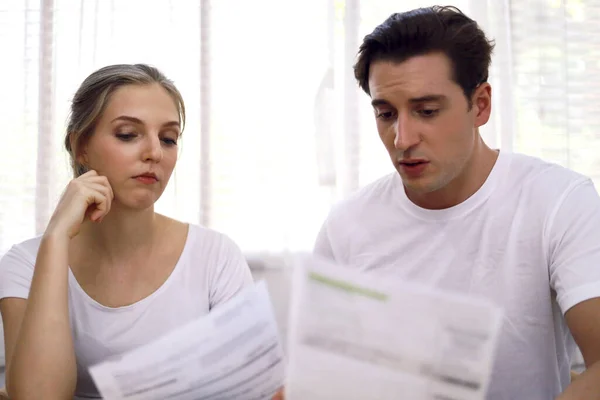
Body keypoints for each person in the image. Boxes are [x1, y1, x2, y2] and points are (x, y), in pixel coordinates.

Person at [313, 6, 600, 400]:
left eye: (426, 111)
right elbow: (322, 377)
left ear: (480, 105)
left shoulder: (558, 201)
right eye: (386, 114)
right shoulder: (346, 226)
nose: (402, 138)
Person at [0, 64, 265, 399]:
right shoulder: (24, 264)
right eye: (128, 134)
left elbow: (252, 389)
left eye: (168, 139)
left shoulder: (216, 257)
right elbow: (39, 396)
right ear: (81, 145)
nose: (154, 152)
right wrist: (55, 240)